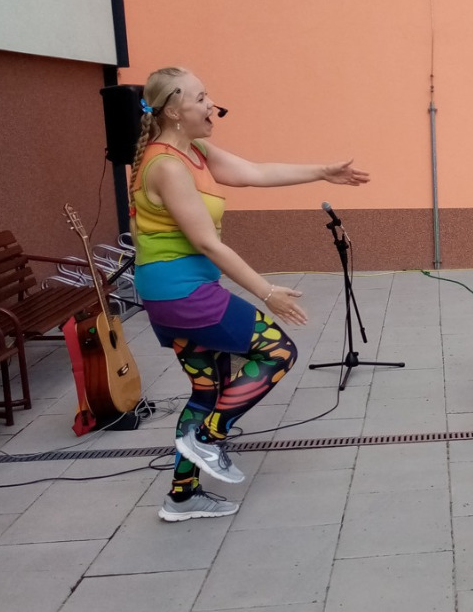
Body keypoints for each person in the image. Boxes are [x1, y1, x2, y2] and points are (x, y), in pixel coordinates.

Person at [131, 67, 369, 522]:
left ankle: (182, 496)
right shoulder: (166, 166)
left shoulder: (194, 152)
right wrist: (267, 291)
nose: (212, 106)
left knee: (208, 388)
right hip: (183, 295)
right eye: (201, 98)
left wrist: (323, 172)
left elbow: (256, 172)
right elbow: (207, 243)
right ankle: (208, 438)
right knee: (277, 352)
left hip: (175, 293)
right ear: (174, 111)